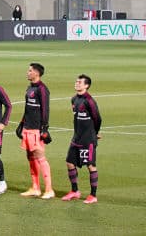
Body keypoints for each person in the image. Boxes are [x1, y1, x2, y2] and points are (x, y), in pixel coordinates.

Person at [62, 74, 101, 204]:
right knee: (69, 162)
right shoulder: (74, 99)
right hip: (76, 138)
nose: (77, 83)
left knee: (90, 165)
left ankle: (93, 195)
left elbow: (97, 118)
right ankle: (75, 191)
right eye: (76, 81)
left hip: (87, 140)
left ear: (86, 85)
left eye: (80, 82)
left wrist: (94, 133)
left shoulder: (89, 101)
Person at [17, 62, 54, 199]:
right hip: (27, 127)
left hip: (36, 129)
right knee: (30, 157)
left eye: (30, 70)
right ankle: (35, 187)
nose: (28, 72)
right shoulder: (30, 88)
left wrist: (44, 128)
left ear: (36, 73)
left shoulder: (42, 89)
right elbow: (28, 108)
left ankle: (49, 190)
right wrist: (21, 124)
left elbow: (46, 109)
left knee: (40, 157)